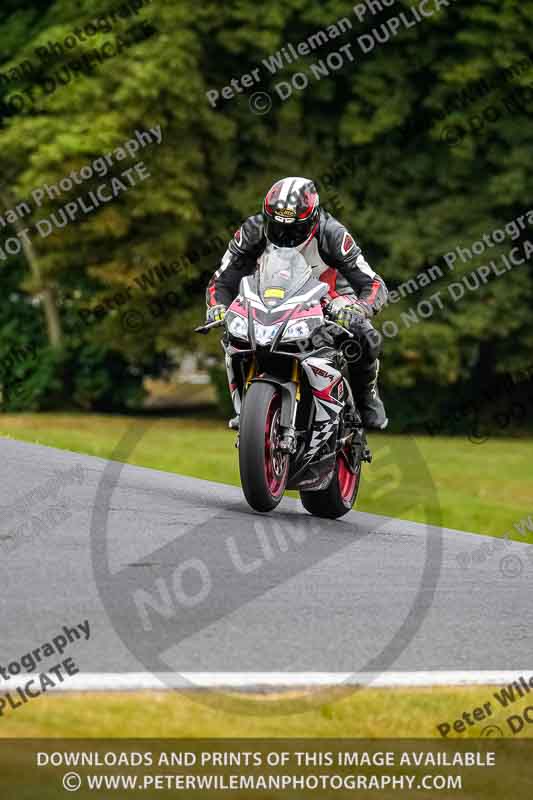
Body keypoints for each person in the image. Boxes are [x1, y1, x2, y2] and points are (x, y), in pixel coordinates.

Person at [205, 176, 389, 430]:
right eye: (277, 226)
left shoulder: (332, 234)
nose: (284, 234)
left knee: (366, 336)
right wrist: (217, 307)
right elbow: (222, 280)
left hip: (331, 296)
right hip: (268, 298)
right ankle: (246, 407)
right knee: (231, 332)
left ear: (313, 219)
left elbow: (374, 283)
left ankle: (367, 398)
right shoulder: (252, 231)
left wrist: (358, 308)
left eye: (294, 228)